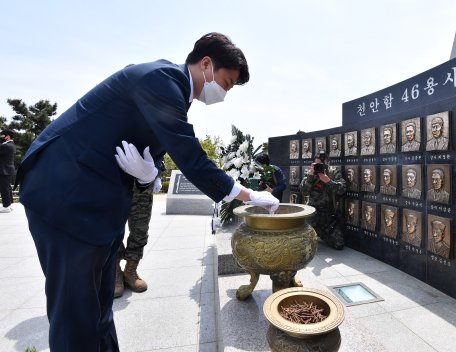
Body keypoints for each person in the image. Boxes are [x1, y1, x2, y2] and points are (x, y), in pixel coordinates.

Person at [15, 33, 279, 351]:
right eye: (226, 82)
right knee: (76, 317)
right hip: (65, 194)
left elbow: (147, 147)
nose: (224, 92)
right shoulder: (162, 80)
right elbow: (191, 157)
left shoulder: (172, 91)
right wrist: (247, 195)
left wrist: (150, 174)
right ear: (207, 64)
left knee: (99, 313)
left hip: (98, 205)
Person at [115, 158, 164, 298]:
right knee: (113, 228)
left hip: (142, 178)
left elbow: (158, 148)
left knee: (140, 228)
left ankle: (130, 270)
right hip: (114, 176)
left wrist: (158, 173)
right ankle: (115, 271)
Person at [300, 152, 347, 249]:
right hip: (312, 213)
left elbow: (342, 189)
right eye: (316, 164)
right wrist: (310, 176)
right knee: (305, 245)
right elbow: (304, 192)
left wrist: (328, 181)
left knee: (339, 244)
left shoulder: (334, 172)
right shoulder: (309, 173)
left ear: (328, 163)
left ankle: (320, 232)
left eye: (321, 164)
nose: (318, 166)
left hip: (328, 214)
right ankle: (314, 231)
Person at [0, 129, 16, 213]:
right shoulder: (11, 145)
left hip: (4, 170)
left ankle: (6, 206)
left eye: (3, 135)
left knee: (4, 188)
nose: (1, 137)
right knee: (7, 187)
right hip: (8, 169)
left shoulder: (6, 146)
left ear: (8, 136)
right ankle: (9, 205)